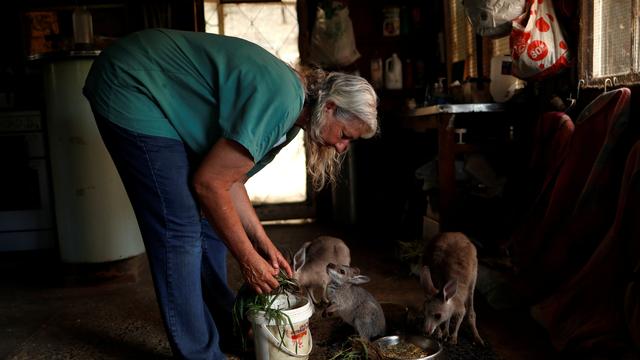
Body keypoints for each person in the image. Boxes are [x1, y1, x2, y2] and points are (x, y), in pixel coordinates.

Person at [83, 28, 378, 359]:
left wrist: (261, 242)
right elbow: (209, 184)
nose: (340, 148)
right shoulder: (283, 101)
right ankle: (201, 353)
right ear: (331, 108)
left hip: (149, 86)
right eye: (344, 136)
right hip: (131, 82)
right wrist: (248, 260)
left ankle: (227, 326)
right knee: (179, 226)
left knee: (211, 222)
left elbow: (230, 182)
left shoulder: (292, 122)